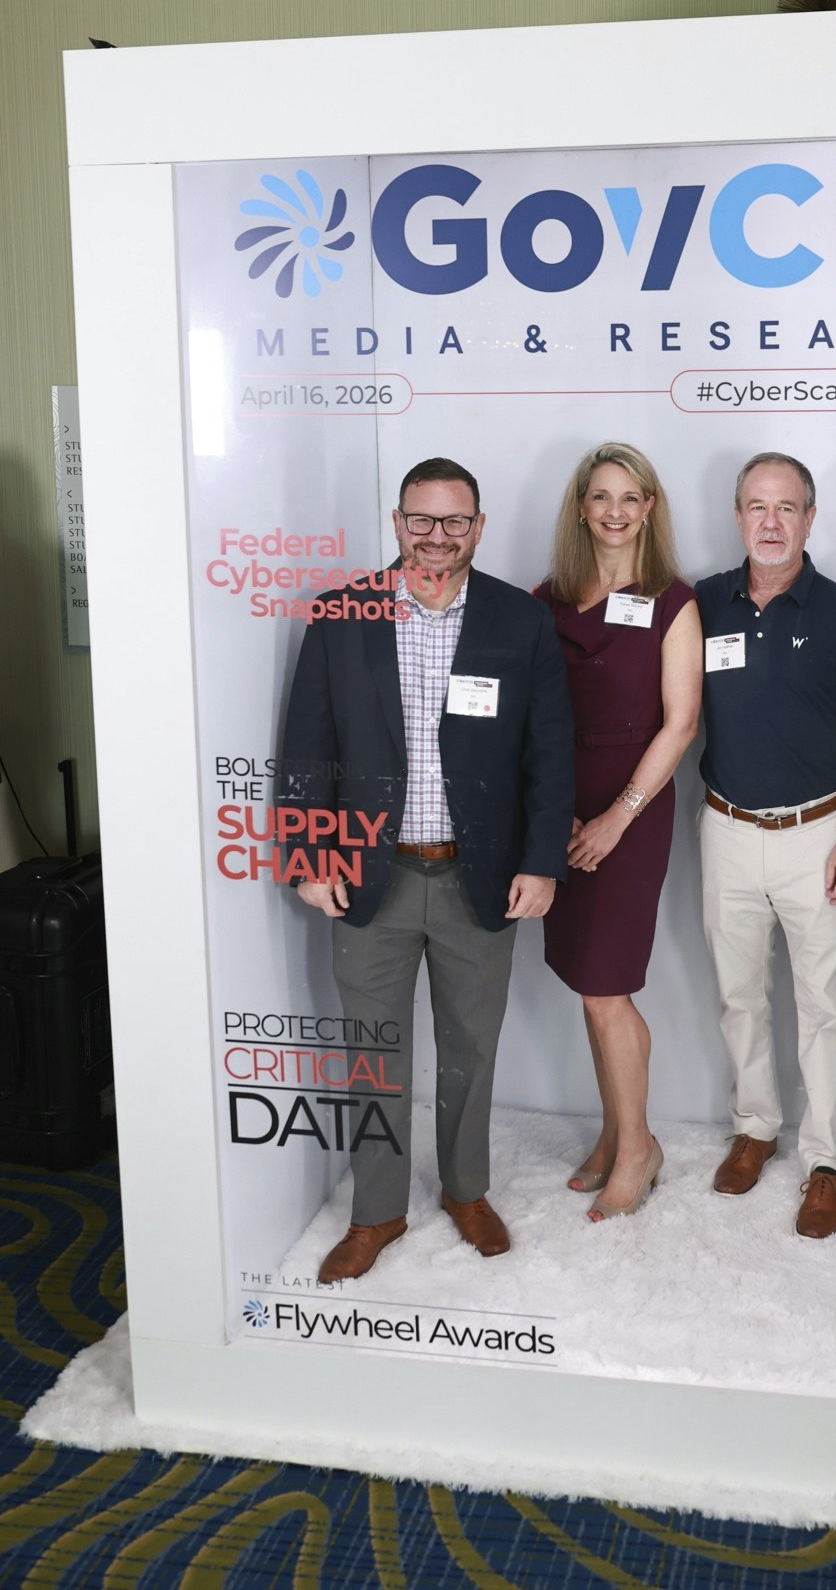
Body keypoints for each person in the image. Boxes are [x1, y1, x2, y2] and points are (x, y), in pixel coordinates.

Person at [280, 456, 574, 1281]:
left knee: (471, 1048)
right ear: (398, 522)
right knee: (373, 1052)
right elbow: (305, 748)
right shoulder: (342, 614)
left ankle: (466, 1190)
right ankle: (376, 1211)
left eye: (454, 521)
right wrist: (307, 855)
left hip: (480, 876)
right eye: (421, 520)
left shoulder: (521, 620)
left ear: (478, 527)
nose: (436, 537)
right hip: (370, 878)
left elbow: (550, 753)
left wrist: (542, 862)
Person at [696, 453, 836, 1239]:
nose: (770, 523)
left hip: (819, 836)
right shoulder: (702, 604)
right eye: (757, 506)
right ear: (737, 515)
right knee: (739, 995)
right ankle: (755, 1127)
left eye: (787, 508)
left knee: (825, 1009)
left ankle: (827, 1163)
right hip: (726, 830)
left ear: (810, 517)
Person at [535, 443, 701, 1222]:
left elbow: (681, 724)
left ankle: (639, 1148)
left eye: (630, 497)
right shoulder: (546, 600)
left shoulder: (672, 602)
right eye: (601, 496)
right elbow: (530, 713)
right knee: (586, 980)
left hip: (633, 804)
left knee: (608, 989)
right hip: (561, 803)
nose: (615, 511)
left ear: (650, 508)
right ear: (580, 507)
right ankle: (614, 1132)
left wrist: (615, 816)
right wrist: (553, 809)